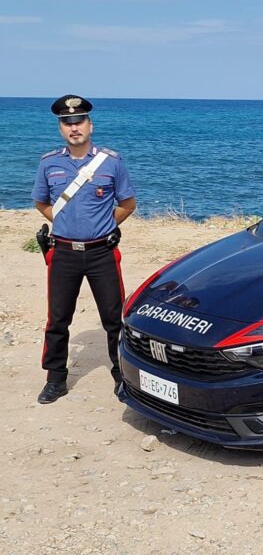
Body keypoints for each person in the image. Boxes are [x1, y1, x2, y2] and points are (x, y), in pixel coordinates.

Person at [32, 95, 137, 403]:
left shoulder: (111, 162)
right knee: (57, 319)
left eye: (78, 122)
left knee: (114, 319)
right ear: (61, 129)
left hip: (102, 253)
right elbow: (41, 203)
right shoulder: (49, 163)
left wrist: (104, 225)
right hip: (63, 253)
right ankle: (55, 379)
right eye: (67, 123)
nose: (73, 127)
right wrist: (65, 223)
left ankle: (122, 375)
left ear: (90, 125)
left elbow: (128, 204)